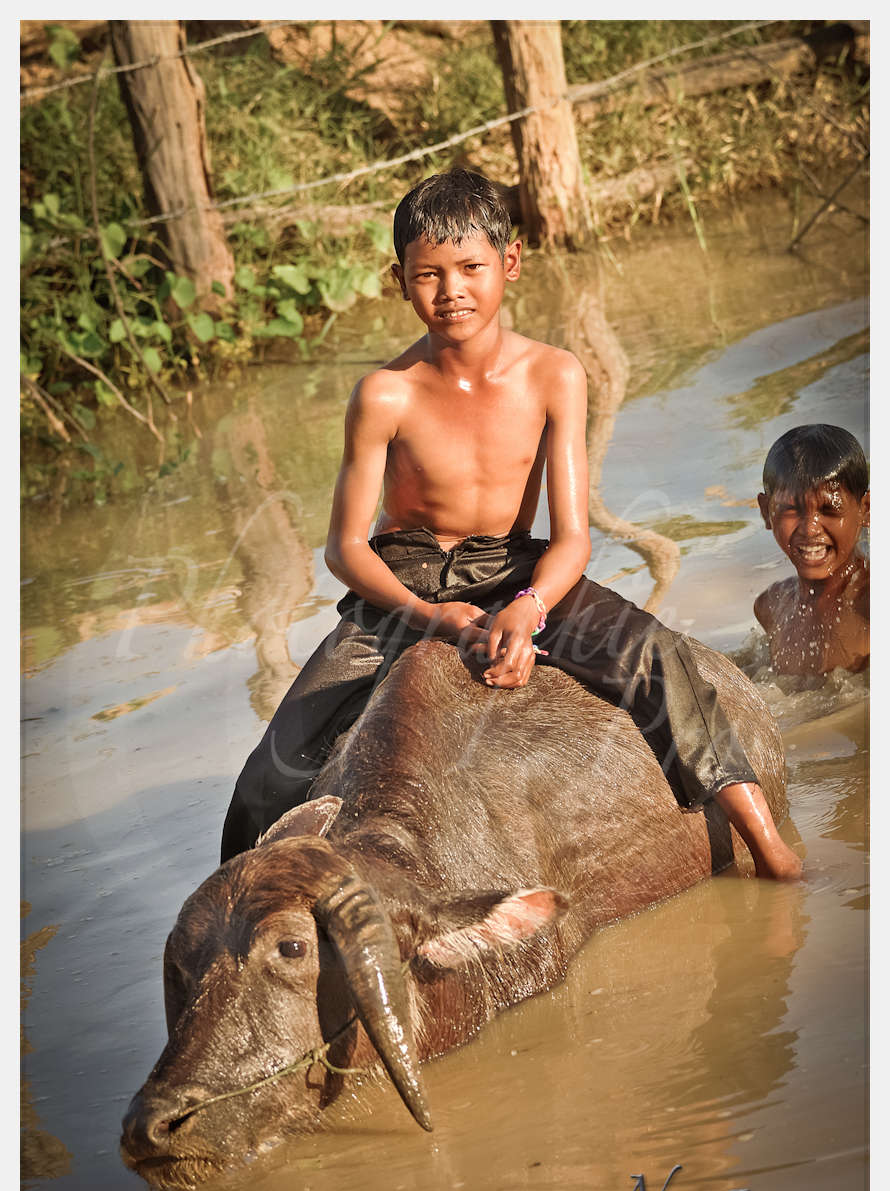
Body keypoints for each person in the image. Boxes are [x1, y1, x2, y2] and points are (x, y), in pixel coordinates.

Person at [221, 168, 801, 880]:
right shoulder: (384, 393)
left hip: (512, 566)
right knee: (269, 774)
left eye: (471, 267)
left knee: (665, 662)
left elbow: (572, 539)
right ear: (397, 278)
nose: (451, 290)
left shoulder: (555, 374)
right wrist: (429, 615)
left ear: (512, 263)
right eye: (428, 273)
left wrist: (529, 608)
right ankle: (245, 918)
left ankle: (770, 847)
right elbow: (344, 549)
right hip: (401, 578)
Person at [754, 424, 869, 676]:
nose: (810, 529)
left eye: (829, 510)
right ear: (766, 512)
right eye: (790, 510)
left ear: (866, 509)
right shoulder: (771, 605)